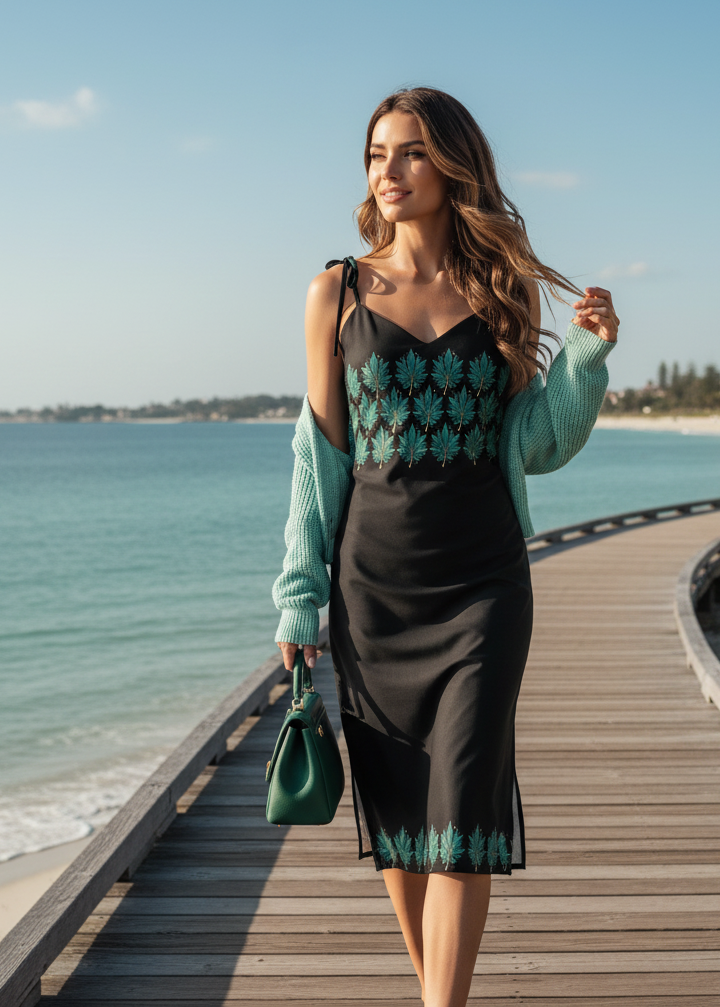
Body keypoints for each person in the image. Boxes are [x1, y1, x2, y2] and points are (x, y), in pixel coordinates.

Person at [273, 87, 619, 1007]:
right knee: (399, 812)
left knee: (462, 805)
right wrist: (299, 594)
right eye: (377, 155)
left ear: (453, 164)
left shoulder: (497, 292)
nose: (389, 172)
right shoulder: (334, 291)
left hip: (484, 587)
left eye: (412, 152)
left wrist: (584, 361)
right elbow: (319, 456)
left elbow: (535, 445)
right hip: (371, 594)